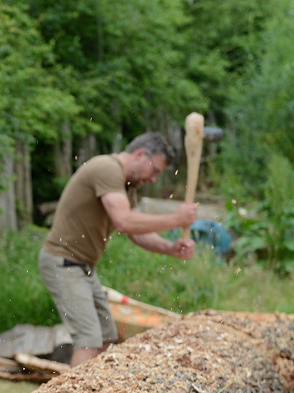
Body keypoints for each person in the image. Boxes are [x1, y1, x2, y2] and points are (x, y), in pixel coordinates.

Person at [38, 132, 197, 366]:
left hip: (82, 267)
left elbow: (134, 231)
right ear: (140, 155)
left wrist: (170, 248)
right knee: (89, 339)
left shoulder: (126, 185)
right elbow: (124, 220)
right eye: (154, 171)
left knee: (106, 337)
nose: (153, 179)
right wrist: (176, 219)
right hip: (63, 263)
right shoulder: (107, 169)